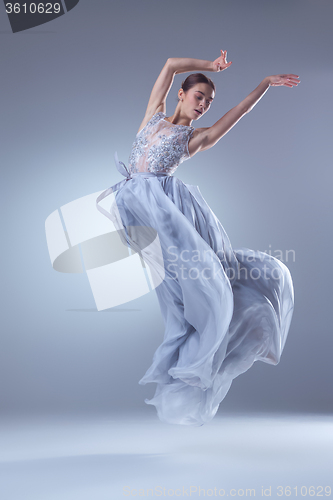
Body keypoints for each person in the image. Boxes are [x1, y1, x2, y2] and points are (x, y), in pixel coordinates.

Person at [96, 50, 299, 426]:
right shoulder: (152, 116)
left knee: (205, 289)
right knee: (178, 295)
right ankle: (194, 339)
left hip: (166, 215)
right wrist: (210, 66)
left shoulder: (197, 138)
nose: (204, 105)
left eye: (209, 101)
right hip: (137, 211)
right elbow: (171, 65)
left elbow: (237, 113)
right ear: (181, 95)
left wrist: (263, 85)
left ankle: (201, 355)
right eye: (199, 96)